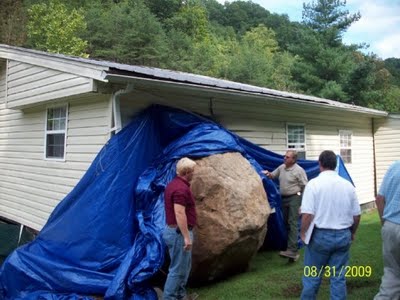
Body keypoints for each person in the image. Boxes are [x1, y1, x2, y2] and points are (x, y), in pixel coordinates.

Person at [300, 150, 361, 300]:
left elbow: (307, 214)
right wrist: (352, 232)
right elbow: (357, 215)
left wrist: (302, 233)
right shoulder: (348, 186)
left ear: (320, 163)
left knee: (312, 277)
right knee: (338, 278)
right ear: (335, 165)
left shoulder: (313, 184)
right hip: (343, 236)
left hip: (319, 237)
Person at [163, 157, 198, 300]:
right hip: (179, 234)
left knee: (183, 268)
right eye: (193, 171)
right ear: (187, 172)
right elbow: (179, 213)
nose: (195, 174)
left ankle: (180, 295)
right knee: (177, 270)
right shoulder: (180, 189)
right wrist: (186, 237)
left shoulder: (174, 184)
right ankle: (169, 297)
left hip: (176, 232)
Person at [262, 150, 308, 259]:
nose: (284, 158)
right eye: (285, 156)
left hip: (295, 197)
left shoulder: (299, 170)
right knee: (286, 223)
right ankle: (290, 248)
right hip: (284, 199)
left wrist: (302, 202)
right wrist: (267, 174)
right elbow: (272, 175)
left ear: (293, 160)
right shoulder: (282, 167)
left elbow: (305, 186)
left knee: (292, 223)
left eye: (287, 157)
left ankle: (292, 251)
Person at [374, 161, 400, 300]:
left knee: (392, 274)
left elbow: (379, 199)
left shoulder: (394, 167)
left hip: (390, 226)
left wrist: (385, 223)